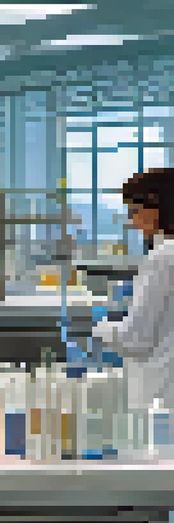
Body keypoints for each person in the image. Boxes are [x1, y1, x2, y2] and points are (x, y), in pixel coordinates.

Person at [94, 168, 174, 414]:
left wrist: (100, 327)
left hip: (161, 393)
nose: (132, 221)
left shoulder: (163, 257)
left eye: (135, 211)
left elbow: (136, 338)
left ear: (157, 206)